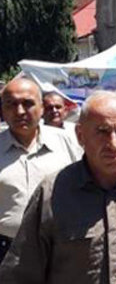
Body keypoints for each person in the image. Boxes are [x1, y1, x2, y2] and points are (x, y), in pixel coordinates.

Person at [0, 91, 116, 283]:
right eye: (102, 131)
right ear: (80, 135)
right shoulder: (52, 193)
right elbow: (20, 275)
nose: (113, 144)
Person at [0, 78, 81, 264]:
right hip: (6, 252)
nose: (20, 111)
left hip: (61, 247)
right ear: (3, 110)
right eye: (11, 104)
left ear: (42, 108)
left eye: (28, 103)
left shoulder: (68, 142)